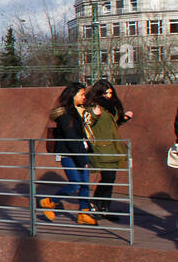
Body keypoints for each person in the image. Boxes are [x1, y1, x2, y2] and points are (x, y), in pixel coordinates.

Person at [41, 83, 96, 226]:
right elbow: (71, 138)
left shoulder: (79, 111)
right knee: (75, 183)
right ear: (73, 95)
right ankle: (50, 201)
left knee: (85, 184)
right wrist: (81, 159)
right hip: (69, 154)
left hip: (80, 152)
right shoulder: (65, 115)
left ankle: (83, 213)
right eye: (82, 94)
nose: (84, 97)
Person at [84, 82, 126, 222]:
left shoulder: (110, 108)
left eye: (110, 93)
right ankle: (95, 204)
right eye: (106, 93)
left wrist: (124, 119)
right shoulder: (94, 107)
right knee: (108, 177)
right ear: (98, 93)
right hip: (102, 148)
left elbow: (111, 125)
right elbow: (88, 122)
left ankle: (104, 208)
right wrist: (94, 115)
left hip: (112, 147)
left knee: (110, 178)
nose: (109, 96)